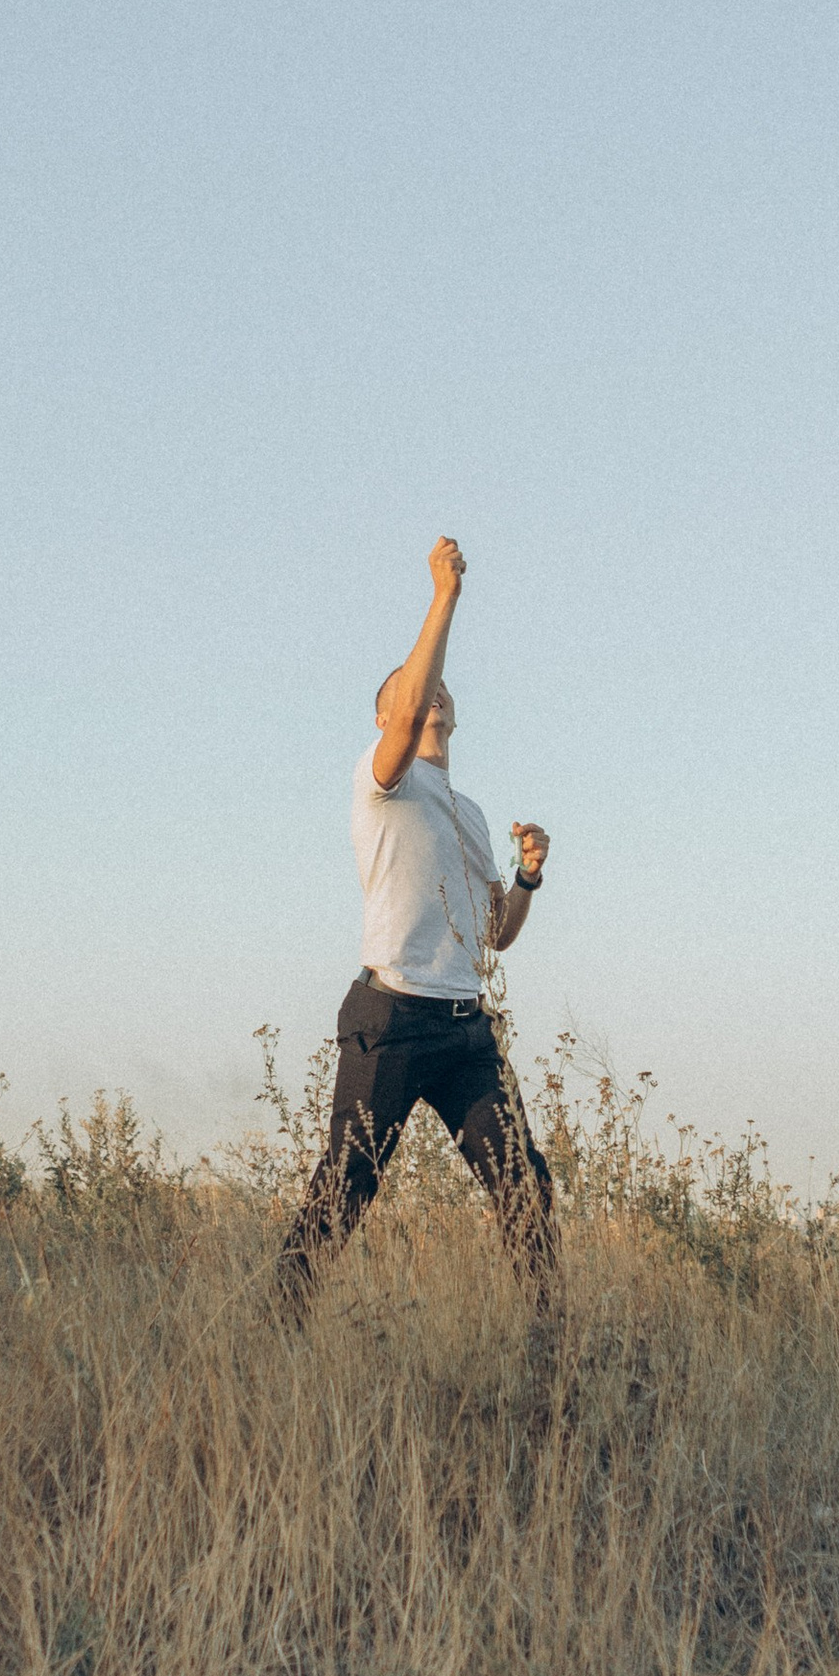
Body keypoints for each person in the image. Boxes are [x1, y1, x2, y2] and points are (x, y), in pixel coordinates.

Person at [278, 537, 556, 1318]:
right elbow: (406, 706)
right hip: (391, 1019)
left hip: (466, 1031)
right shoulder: (384, 784)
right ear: (387, 715)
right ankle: (278, 1325)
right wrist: (445, 597)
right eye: (411, 691)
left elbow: (496, 931)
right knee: (344, 1193)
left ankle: (551, 1345)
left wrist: (529, 876)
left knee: (526, 1189)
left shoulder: (465, 813)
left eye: (437, 690)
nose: (429, 696)